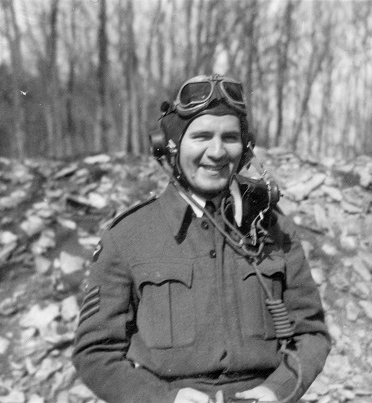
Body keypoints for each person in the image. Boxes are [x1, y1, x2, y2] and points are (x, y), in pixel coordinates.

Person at [72, 74, 331, 403]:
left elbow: (311, 334)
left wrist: (275, 391)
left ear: (246, 147)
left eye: (230, 137)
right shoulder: (127, 237)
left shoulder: (273, 228)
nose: (218, 151)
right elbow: (94, 353)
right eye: (202, 136)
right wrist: (165, 399)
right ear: (169, 146)